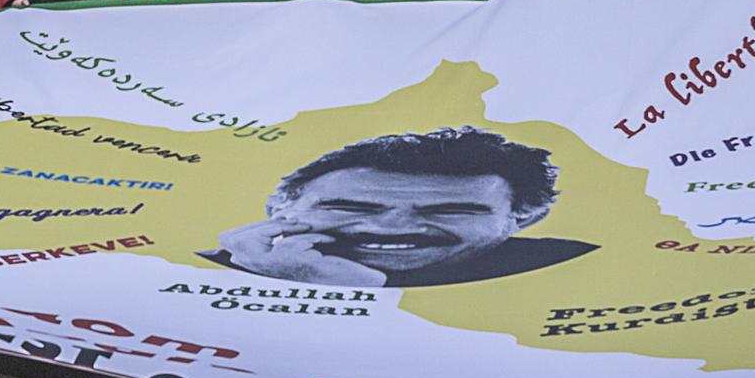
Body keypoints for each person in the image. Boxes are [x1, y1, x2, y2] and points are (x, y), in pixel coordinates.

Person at [203, 127, 596, 287]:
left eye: (450, 211)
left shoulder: (574, 271)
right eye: (346, 207)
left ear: (525, 218)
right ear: (278, 209)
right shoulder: (206, 271)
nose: (393, 226)